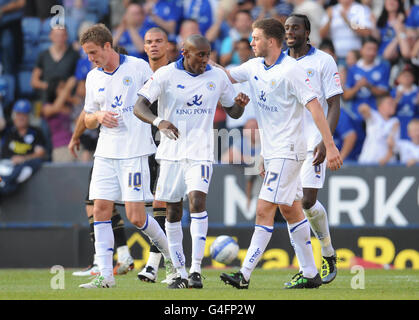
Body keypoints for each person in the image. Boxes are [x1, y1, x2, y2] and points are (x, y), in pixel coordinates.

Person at [215, 18, 342, 290]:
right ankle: (309, 272)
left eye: (256, 38)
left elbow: (316, 109)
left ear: (271, 42)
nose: (251, 43)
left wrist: (329, 145)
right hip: (273, 152)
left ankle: (244, 274)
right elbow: (223, 75)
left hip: (290, 150)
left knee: (264, 210)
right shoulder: (253, 67)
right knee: (291, 209)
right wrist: (197, 62)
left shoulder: (292, 71)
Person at [134, 34, 250, 289]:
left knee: (197, 202)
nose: (205, 60)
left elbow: (232, 110)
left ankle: (196, 270)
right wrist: (158, 121)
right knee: (173, 211)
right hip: (171, 153)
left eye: (208, 54)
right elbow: (139, 106)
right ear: (185, 53)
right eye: (200, 55)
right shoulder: (165, 75)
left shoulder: (217, 76)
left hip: (201, 152)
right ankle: (179, 271)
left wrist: (240, 105)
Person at [77, 24, 172, 289]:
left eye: (93, 52)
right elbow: (87, 117)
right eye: (87, 54)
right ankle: (105, 275)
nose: (91, 59)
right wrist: (97, 117)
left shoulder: (138, 68)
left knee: (137, 217)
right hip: (105, 152)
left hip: (134, 151)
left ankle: (172, 258)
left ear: (108, 46)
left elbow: (159, 95)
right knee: (100, 210)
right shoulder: (93, 77)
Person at [282, 14, 343, 286]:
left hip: (313, 141)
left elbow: (334, 104)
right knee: (289, 205)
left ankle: (328, 252)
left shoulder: (323, 61)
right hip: (285, 143)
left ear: (307, 31)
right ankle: (306, 269)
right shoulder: (278, 63)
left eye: (295, 27)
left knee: (306, 201)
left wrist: (325, 140)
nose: (290, 32)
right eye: (286, 28)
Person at [137, 27, 177, 285]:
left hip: (170, 144)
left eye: (158, 41)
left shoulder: (175, 73)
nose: (154, 46)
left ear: (168, 45)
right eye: (149, 42)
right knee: (143, 209)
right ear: (144, 47)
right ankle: (171, 262)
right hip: (141, 145)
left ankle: (153, 265)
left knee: (163, 202)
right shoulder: (138, 73)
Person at [0, 99, 46, 197]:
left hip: (22, 168)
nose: (20, 117)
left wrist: (23, 158)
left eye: (24, 115)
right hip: (5, 166)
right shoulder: (8, 131)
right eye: (18, 114)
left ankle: (6, 184)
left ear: (29, 116)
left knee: (30, 165)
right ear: (14, 116)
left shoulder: (35, 132)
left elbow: (40, 153)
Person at [31, 26, 80, 104]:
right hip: (45, 98)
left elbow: (77, 80)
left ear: (66, 36)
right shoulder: (43, 55)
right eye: (56, 35)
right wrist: (51, 87)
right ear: (50, 36)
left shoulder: (74, 55)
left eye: (62, 35)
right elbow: (34, 82)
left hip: (66, 99)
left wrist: (63, 91)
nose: (59, 38)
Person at [358, 95, 400, 165]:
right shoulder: (374, 115)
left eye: (393, 103)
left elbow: (393, 144)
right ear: (380, 106)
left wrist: (386, 158)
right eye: (389, 103)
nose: (393, 105)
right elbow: (363, 108)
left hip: (386, 163)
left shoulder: (395, 121)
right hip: (368, 160)